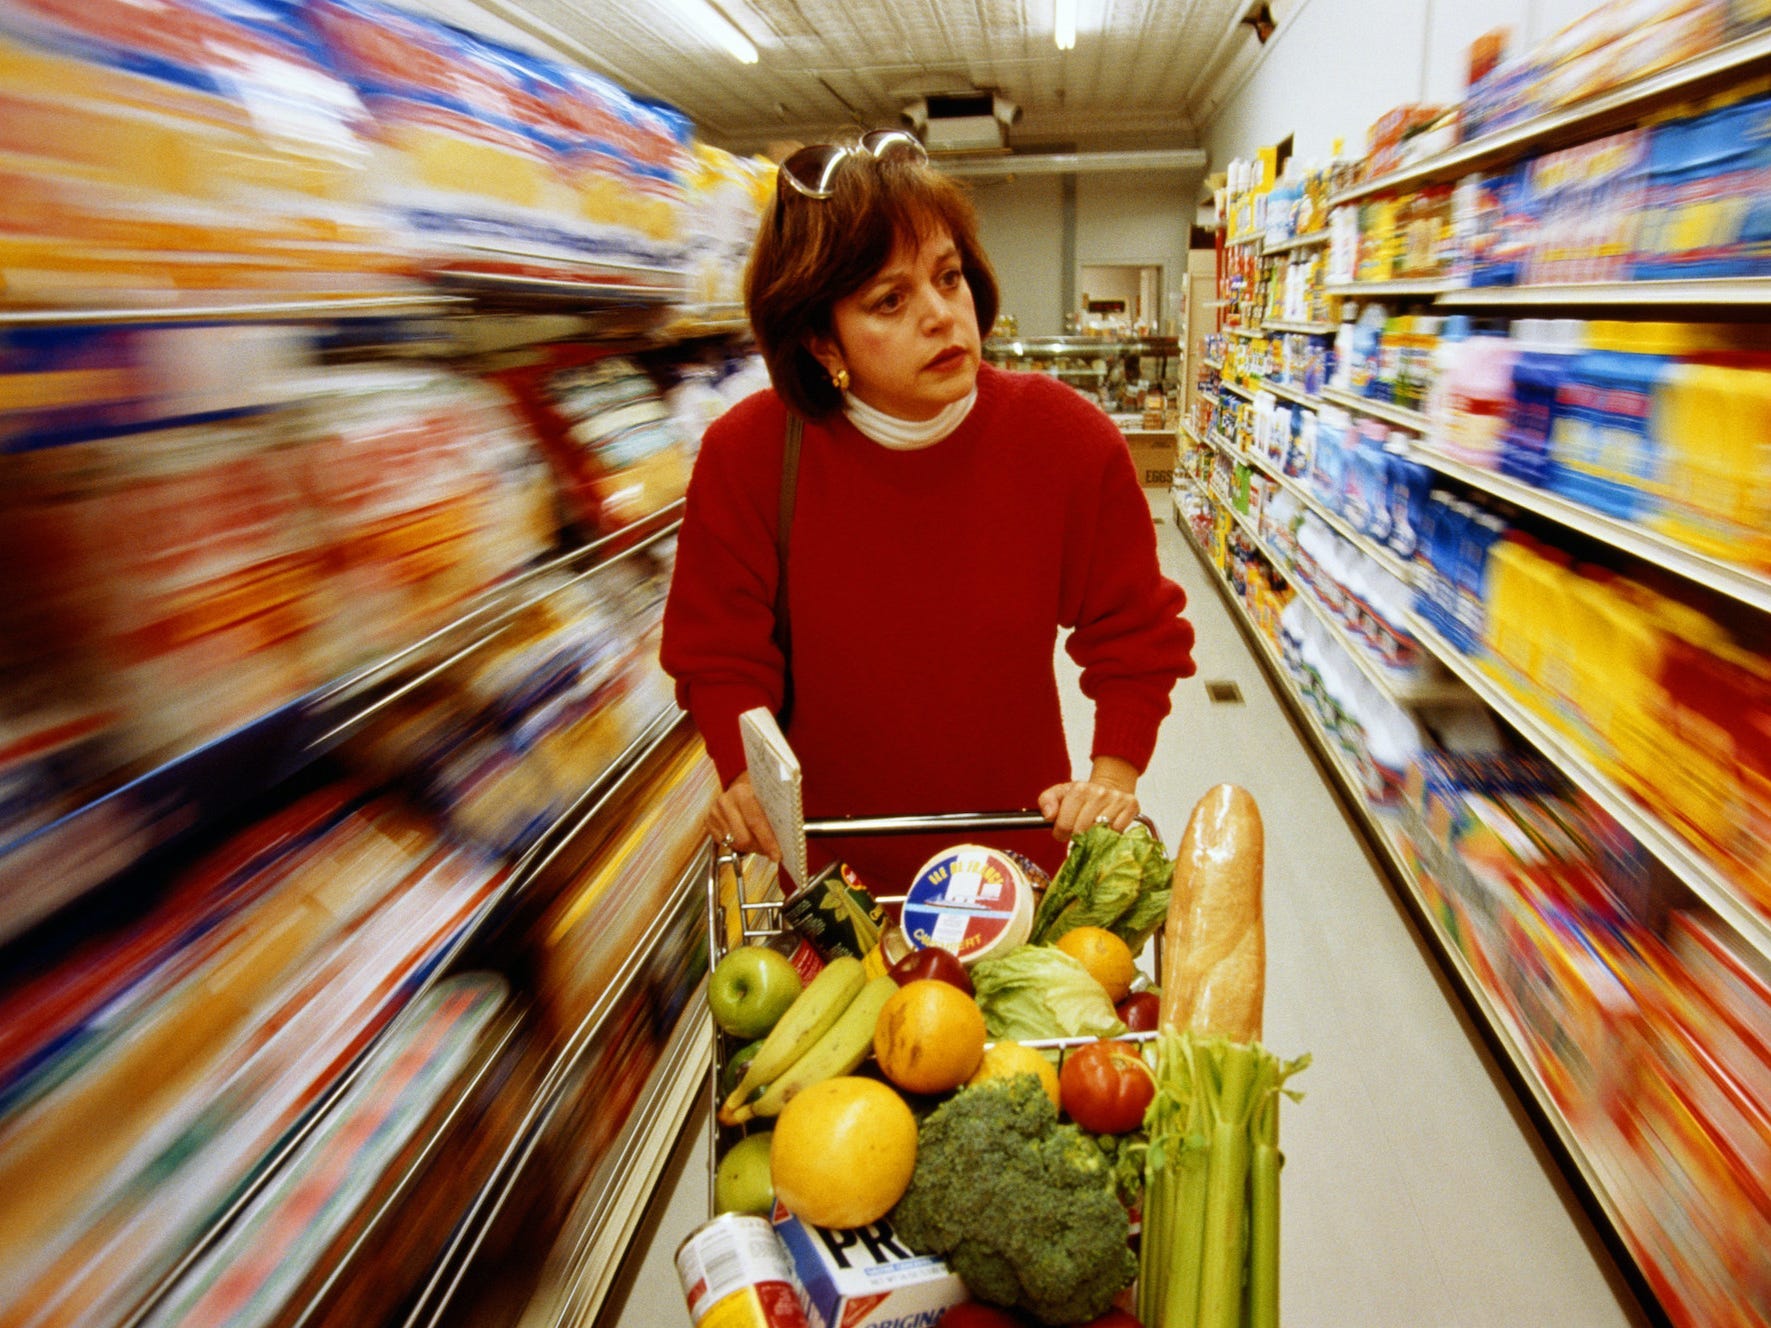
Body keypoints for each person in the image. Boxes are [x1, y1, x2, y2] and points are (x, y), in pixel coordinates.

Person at [660, 130, 1195, 890]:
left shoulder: (1065, 440)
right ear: (820, 340)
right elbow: (718, 655)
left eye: (948, 277)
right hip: (832, 883)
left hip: (1013, 869)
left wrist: (1112, 777)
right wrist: (740, 772)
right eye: (889, 299)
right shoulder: (747, 456)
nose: (942, 315)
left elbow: (1135, 633)